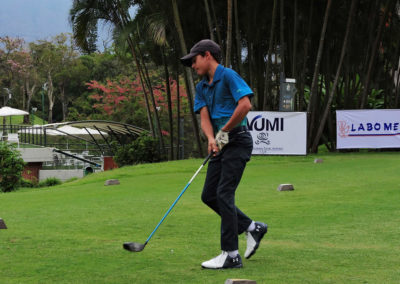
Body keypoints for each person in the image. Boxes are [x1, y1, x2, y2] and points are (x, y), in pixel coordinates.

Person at [180, 39, 268, 269]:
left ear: (207, 55)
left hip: (237, 140)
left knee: (224, 194)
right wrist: (211, 138)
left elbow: (245, 105)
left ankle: (231, 254)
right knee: (209, 195)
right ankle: (252, 227)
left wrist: (225, 131)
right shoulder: (201, 87)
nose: (192, 66)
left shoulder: (228, 76)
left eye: (194, 60)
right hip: (220, 142)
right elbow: (205, 118)